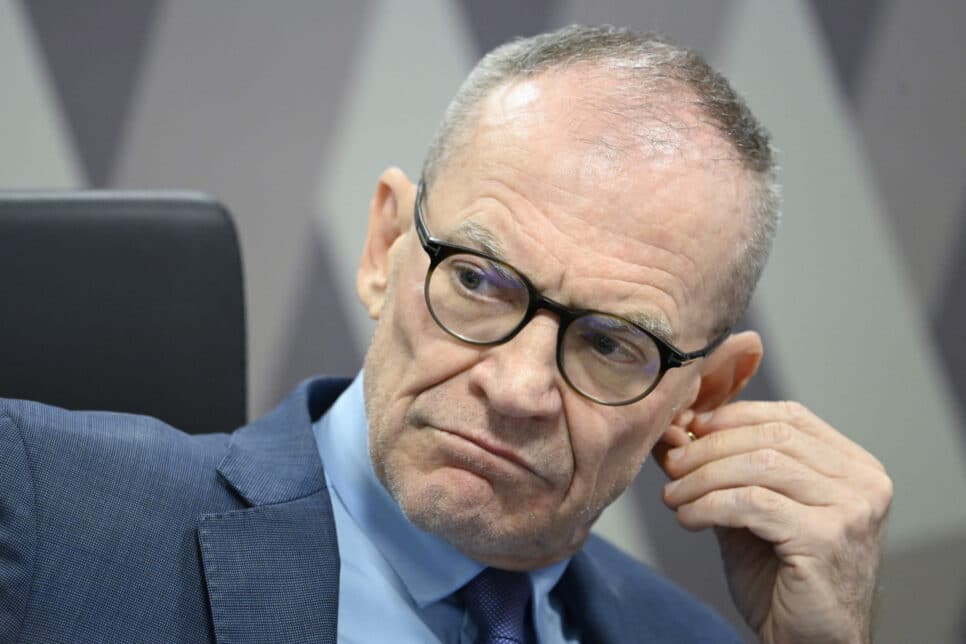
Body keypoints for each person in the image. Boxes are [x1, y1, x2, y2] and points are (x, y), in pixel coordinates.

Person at [0, 25, 891, 643]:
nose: (516, 389)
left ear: (701, 394)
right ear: (385, 247)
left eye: (611, 343)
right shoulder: (42, 511)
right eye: (478, 281)